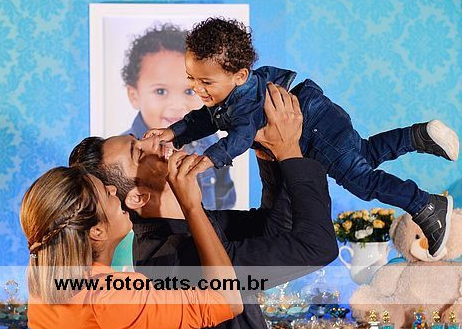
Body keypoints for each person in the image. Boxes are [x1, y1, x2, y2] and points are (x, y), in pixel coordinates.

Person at [69, 83, 338, 329]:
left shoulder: (190, 226)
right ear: (136, 197)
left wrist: (267, 149)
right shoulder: (171, 259)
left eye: (140, 138)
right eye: (139, 151)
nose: (154, 137)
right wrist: (289, 152)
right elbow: (316, 247)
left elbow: (276, 229)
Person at [148, 17, 458, 260]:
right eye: (191, 79)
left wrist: (208, 160)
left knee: (362, 182)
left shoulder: (246, 104)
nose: (197, 89)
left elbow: (241, 138)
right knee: (363, 155)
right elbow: (203, 119)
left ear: (239, 75)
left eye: (205, 81)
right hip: (319, 119)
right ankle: (419, 136)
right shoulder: (228, 95)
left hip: (315, 129)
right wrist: (173, 132)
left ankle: (425, 205)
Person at [22, 159, 244, 329]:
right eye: (106, 193)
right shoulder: (113, 295)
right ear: (97, 231)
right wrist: (192, 207)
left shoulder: (43, 290)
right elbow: (228, 300)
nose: (114, 189)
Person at [120, 23, 236, 210]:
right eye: (160, 91)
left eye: (189, 92)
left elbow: (224, 200)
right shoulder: (121, 156)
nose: (176, 105)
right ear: (134, 95)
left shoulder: (210, 143)